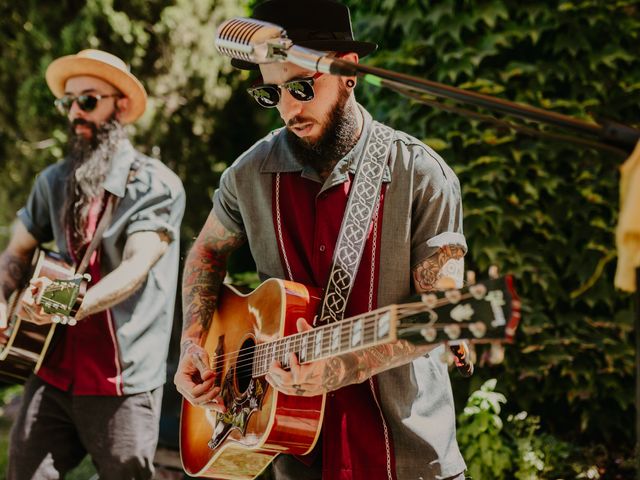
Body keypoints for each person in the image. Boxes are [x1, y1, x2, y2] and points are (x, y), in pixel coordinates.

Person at [174, 1, 467, 479]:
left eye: (302, 86)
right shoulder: (247, 175)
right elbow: (207, 250)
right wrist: (193, 343)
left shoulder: (422, 175)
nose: (289, 108)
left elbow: (444, 313)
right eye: (273, 94)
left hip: (406, 455)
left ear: (347, 71)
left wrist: (342, 368)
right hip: (294, 453)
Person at [0, 49, 185, 479]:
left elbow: (137, 266)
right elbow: (15, 252)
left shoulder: (156, 185)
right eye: (68, 103)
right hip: (51, 372)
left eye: (88, 101)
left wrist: (70, 304)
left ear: (120, 106)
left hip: (123, 381)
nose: (75, 114)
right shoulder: (53, 180)